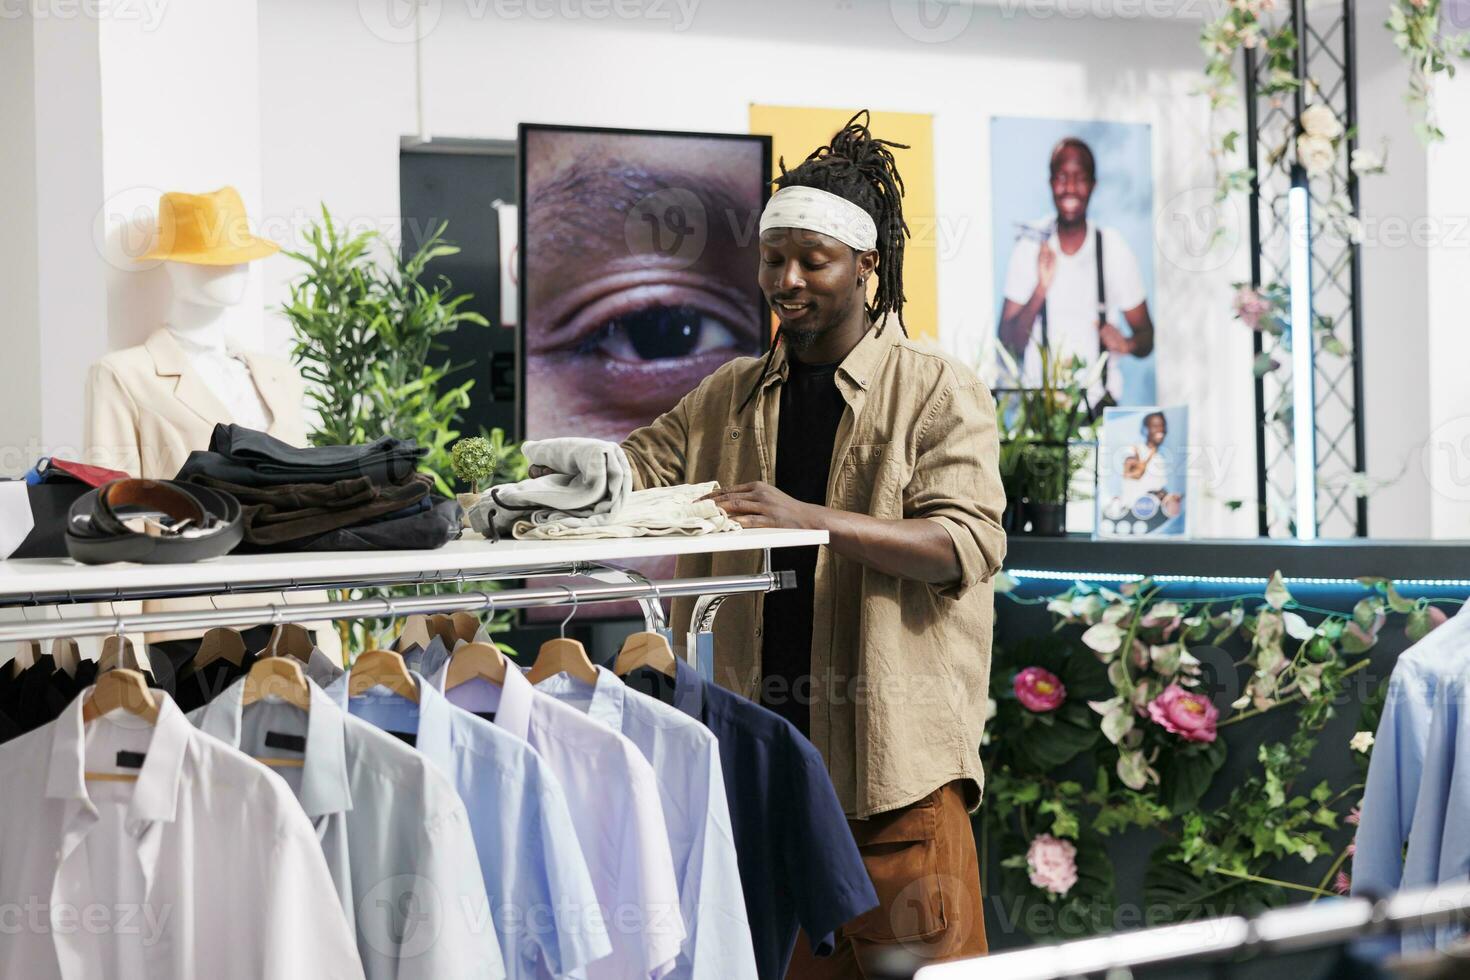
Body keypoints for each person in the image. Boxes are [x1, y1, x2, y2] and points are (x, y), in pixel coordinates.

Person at [618, 111, 1006, 976]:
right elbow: (643, 465)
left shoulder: (937, 389)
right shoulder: (729, 394)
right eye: (771, 258)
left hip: (892, 793)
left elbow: (965, 543)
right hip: (769, 783)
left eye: (812, 261)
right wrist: (571, 475)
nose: (785, 280)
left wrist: (814, 519)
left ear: (867, 268)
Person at [997, 136, 1154, 406]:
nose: (1070, 188)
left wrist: (1126, 344)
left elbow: (1146, 337)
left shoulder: (1113, 247)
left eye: (1079, 178)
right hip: (1042, 417)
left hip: (1100, 411)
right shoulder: (1030, 246)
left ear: (1093, 185)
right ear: (1050, 183)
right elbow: (1008, 344)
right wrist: (1040, 289)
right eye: (1061, 177)